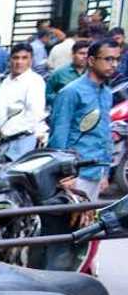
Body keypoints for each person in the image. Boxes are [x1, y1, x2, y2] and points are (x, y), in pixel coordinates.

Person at [50, 37, 122, 201]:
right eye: (108, 59)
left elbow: (104, 134)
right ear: (91, 60)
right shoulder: (71, 92)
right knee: (70, 224)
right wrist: (64, 175)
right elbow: (58, 136)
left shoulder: (106, 93)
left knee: (88, 223)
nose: (114, 64)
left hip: (96, 171)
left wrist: (104, 173)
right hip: (75, 173)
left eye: (117, 59)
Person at [0, 43, 45, 161]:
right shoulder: (6, 80)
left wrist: (4, 132)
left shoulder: (34, 81)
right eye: (16, 58)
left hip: (21, 140)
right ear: (9, 59)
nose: (19, 62)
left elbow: (34, 115)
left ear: (31, 60)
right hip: (0, 141)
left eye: (24, 58)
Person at [46, 40, 90, 110]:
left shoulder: (93, 73)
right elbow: (47, 94)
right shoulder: (59, 73)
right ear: (72, 54)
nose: (85, 56)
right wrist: (61, 99)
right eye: (81, 53)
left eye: (87, 54)